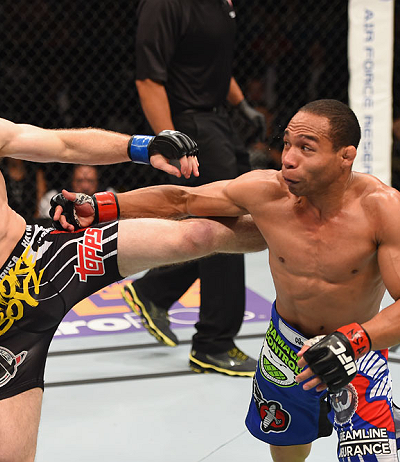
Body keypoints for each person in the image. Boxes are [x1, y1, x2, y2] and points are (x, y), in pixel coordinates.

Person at [0, 35, 267, 462]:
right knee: (8, 456)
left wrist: (142, 146)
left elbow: (65, 144)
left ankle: (290, 232)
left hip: (47, 257)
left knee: (197, 235)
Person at [51, 99, 400, 461]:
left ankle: (381, 414)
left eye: (306, 149)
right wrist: (104, 205)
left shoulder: (381, 208)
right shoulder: (268, 192)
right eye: (288, 144)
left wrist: (350, 342)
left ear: (345, 157)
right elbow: (182, 200)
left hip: (357, 351)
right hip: (286, 347)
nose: (288, 158)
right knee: (288, 452)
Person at [123, 0, 267, 376]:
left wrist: (242, 104)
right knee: (225, 224)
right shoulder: (165, 4)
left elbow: (214, 60)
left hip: (219, 119)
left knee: (235, 223)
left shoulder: (223, 3)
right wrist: (170, 138)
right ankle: (213, 344)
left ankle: (155, 292)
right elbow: (148, 79)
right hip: (191, 124)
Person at [37, 164, 106, 219]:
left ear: (97, 182)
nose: (85, 186)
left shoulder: (108, 195)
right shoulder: (53, 197)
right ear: (72, 181)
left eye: (90, 181)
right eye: (80, 181)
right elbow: (46, 220)